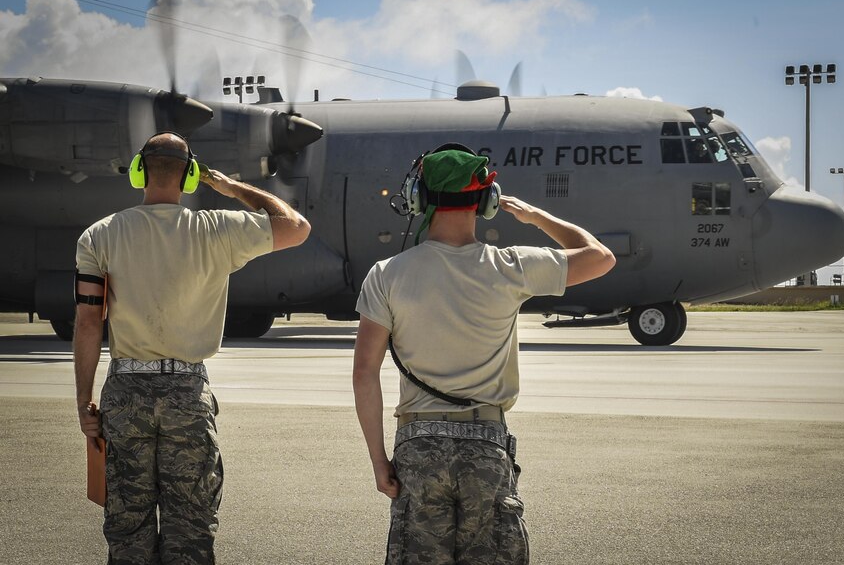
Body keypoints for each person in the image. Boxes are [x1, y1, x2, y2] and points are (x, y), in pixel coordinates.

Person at [352, 144, 616, 564]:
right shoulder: (512, 267)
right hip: (486, 448)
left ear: (419, 199)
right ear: (487, 201)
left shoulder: (386, 274)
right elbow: (600, 258)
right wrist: (534, 216)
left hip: (418, 450)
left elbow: (364, 373)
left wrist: (379, 459)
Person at [74, 131, 310, 564]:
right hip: (187, 393)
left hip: (126, 393)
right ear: (190, 176)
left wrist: (83, 401)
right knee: (191, 530)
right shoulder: (217, 228)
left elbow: (89, 320)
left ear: (139, 171)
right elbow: (296, 227)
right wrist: (233, 188)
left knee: (128, 530)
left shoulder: (100, 236)